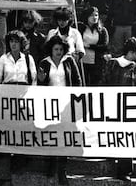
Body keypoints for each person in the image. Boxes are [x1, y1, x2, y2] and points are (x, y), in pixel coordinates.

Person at [0, 30, 37, 185]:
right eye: (11, 41)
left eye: (16, 41)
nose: (13, 44)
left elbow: (33, 81)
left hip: (23, 100)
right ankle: (2, 175)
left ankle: (18, 172)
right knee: (5, 135)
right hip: (6, 100)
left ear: (21, 43)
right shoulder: (3, 59)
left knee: (21, 134)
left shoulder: (28, 59)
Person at [37, 36, 82, 185]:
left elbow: (77, 81)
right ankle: (51, 165)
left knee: (65, 136)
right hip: (50, 105)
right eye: (56, 49)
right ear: (51, 49)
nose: (58, 52)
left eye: (61, 49)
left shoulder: (69, 61)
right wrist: (42, 80)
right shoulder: (44, 62)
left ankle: (62, 170)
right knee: (52, 134)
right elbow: (39, 86)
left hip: (66, 105)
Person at [103, 38, 136, 182]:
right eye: (134, 52)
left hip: (128, 109)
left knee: (127, 138)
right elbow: (104, 83)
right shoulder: (112, 64)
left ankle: (125, 170)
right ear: (129, 51)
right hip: (112, 106)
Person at [77, 7, 109, 86]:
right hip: (83, 61)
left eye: (96, 15)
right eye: (91, 15)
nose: (94, 17)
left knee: (95, 83)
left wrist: (89, 46)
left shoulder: (102, 30)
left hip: (97, 62)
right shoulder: (80, 28)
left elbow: (104, 46)